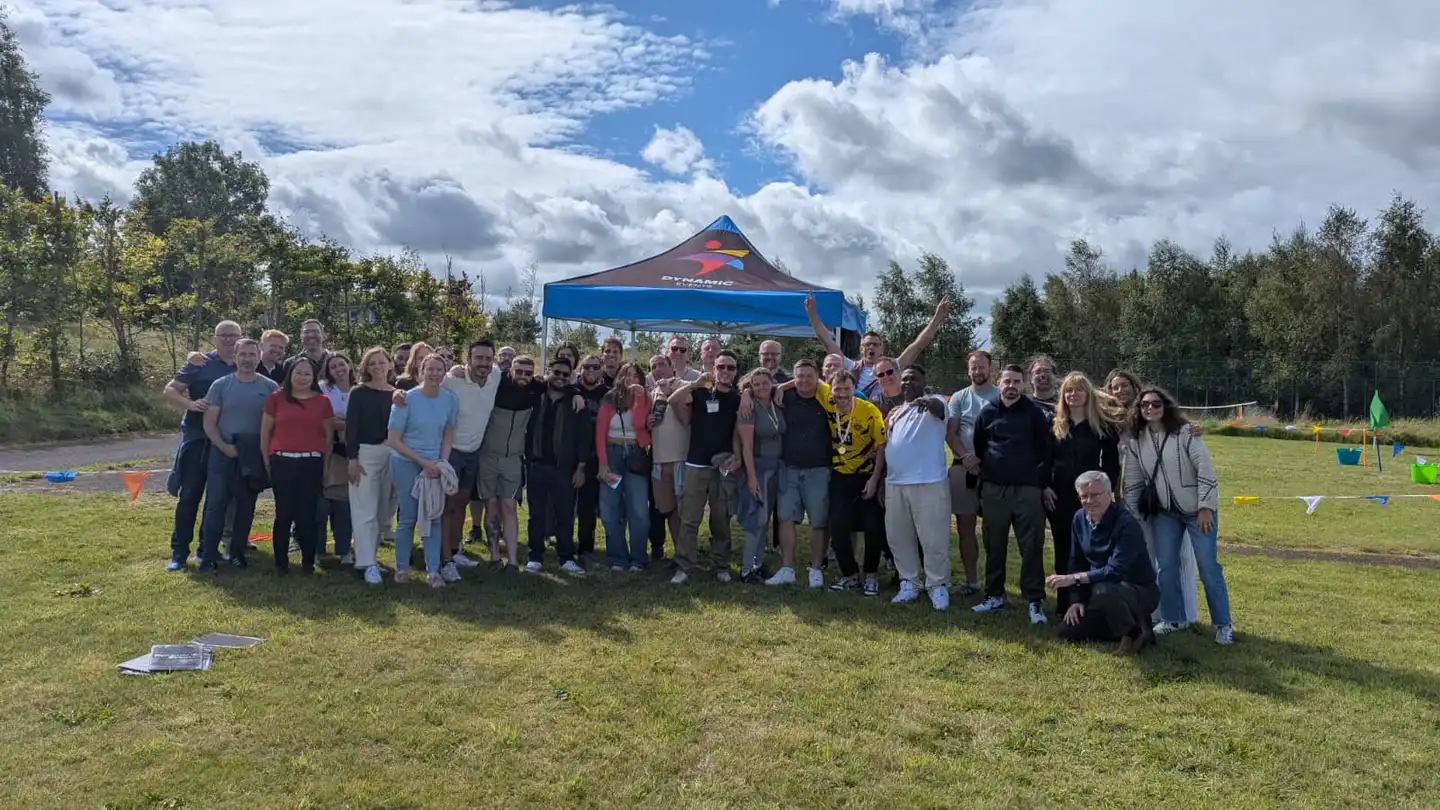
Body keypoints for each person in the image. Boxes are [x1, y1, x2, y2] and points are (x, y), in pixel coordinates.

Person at [1123, 386, 1235, 645]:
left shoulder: (1185, 432)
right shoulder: (1137, 441)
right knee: (1167, 568)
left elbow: (1205, 468)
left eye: (1155, 404)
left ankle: (1223, 624)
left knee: (1209, 569)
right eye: (1144, 405)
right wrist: (1133, 515)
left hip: (1198, 512)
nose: (1150, 408)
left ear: (1166, 406)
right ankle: (1173, 619)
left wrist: (1206, 506)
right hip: (1165, 513)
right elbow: (1133, 481)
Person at [1108, 367, 1200, 625]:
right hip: (1133, 496)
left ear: (1135, 387)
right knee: (1145, 552)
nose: (1120, 390)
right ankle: (1156, 612)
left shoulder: (1156, 416)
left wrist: (1194, 429)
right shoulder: (1112, 421)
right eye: (1114, 387)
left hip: (1167, 496)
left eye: (1125, 385)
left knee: (1176, 556)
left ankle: (1186, 614)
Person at [972, 364, 1054, 625]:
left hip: (1028, 490)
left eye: (1016, 382)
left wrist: (1041, 483)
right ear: (1000, 382)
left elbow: (1046, 451)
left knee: (1031, 547)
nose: (1011, 386)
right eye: (1007, 381)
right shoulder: (987, 412)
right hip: (994, 489)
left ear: (1023, 385)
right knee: (993, 544)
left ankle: (1034, 601)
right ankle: (994, 596)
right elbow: (979, 446)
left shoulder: (1034, 413)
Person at [1045, 471, 1158, 655]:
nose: (1089, 501)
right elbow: (1076, 561)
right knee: (1068, 631)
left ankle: (1133, 633)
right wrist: (1076, 601)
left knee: (1104, 589)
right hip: (1099, 590)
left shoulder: (1127, 524)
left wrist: (1073, 579)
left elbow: (1115, 571)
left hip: (1137, 590)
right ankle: (1141, 627)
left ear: (1109, 494)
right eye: (1084, 496)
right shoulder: (1079, 518)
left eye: (1095, 495)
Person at [161, 320, 240, 571]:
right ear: (215, 338)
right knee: (190, 496)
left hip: (226, 441)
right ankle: (178, 553)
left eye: (234, 335)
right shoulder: (200, 363)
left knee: (217, 500)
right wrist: (190, 405)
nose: (229, 340)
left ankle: (207, 549)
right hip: (197, 439)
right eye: (224, 335)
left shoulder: (247, 363)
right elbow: (170, 391)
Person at [198, 338, 277, 571]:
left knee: (246, 505)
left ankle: (237, 553)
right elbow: (209, 423)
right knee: (216, 503)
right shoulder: (221, 385)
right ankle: (209, 555)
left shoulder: (270, 387)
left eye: (252, 354)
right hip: (222, 451)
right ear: (235, 356)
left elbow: (274, 425)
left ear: (258, 356)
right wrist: (223, 446)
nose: (247, 359)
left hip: (251, 453)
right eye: (243, 354)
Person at [1048, 372, 1123, 611]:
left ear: (1087, 394)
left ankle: (1091, 603)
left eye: (1078, 390)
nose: (1073, 394)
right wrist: (1044, 487)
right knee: (1063, 550)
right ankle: (1064, 605)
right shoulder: (1055, 424)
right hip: (1059, 496)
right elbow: (1043, 459)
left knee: (1091, 550)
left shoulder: (1101, 426)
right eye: (1068, 390)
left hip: (1089, 499)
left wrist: (1105, 491)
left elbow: (1112, 463)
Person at [667, 351, 742, 584]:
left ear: (736, 371)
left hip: (723, 465)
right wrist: (696, 382)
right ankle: (684, 567)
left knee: (720, 519)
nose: (726, 372)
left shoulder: (738, 398)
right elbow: (672, 400)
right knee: (689, 518)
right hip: (696, 463)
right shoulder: (699, 392)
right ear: (713, 368)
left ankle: (720, 565)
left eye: (730, 368)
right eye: (721, 367)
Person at [882, 364, 952, 609]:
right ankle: (909, 582)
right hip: (895, 484)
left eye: (914, 379)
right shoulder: (897, 412)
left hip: (928, 483)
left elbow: (939, 409)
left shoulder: (935, 403)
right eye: (905, 379)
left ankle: (937, 585)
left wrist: (927, 402)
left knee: (933, 539)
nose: (908, 383)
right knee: (899, 538)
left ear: (924, 382)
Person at [387, 354, 458, 587]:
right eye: (431, 369)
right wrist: (423, 463)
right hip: (406, 462)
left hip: (434, 465)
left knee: (433, 517)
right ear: (421, 370)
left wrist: (440, 463)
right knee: (408, 517)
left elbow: (448, 434)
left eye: (440, 370)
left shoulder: (450, 400)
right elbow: (394, 440)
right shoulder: (406, 399)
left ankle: (433, 571)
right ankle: (401, 569)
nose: (435, 374)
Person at [262, 358, 335, 575]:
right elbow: (265, 432)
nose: (302, 377)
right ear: (290, 374)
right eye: (298, 373)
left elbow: (329, 437)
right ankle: (281, 564)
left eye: (307, 374)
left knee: (307, 515)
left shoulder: (322, 401)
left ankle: (307, 563)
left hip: (311, 462)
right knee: (283, 514)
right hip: (282, 461)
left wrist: (325, 466)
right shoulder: (276, 398)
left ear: (314, 378)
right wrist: (267, 460)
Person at [804, 290, 947, 399]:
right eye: (867, 345)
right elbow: (827, 342)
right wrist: (811, 314)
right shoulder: (850, 366)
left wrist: (937, 318)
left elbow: (918, 345)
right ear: (861, 349)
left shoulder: (893, 366)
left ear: (882, 348)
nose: (871, 347)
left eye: (875, 344)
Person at [763, 359, 831, 587]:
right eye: (798, 376)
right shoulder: (785, 397)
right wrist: (782, 387)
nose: (803, 381)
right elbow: (755, 387)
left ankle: (816, 570)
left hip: (819, 470)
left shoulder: (827, 399)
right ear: (793, 377)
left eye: (808, 376)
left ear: (818, 377)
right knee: (785, 518)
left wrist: (785, 385)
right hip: (789, 468)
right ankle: (787, 568)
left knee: (818, 522)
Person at [820, 370, 887, 596]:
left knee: (872, 526)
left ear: (854, 388)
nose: (841, 394)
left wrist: (875, 479)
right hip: (839, 477)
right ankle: (849, 574)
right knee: (837, 525)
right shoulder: (827, 401)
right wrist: (780, 387)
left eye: (846, 389)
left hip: (866, 476)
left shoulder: (869, 411)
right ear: (830, 389)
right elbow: (802, 378)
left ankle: (870, 576)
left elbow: (881, 446)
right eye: (837, 389)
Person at [524, 356, 593, 574]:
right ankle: (534, 556)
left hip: (564, 468)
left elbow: (584, 437)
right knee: (536, 515)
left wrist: (581, 467)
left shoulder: (575, 402)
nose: (560, 377)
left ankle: (566, 558)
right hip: (536, 465)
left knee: (565, 514)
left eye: (566, 374)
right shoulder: (536, 395)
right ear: (549, 372)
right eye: (557, 373)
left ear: (571, 376)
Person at [436, 339, 500, 572]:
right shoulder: (452, 381)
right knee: (447, 505)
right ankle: (443, 558)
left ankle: (455, 550)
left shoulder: (496, 376)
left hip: (474, 453)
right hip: (450, 451)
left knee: (462, 502)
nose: (483, 363)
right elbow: (428, 392)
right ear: (469, 360)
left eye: (487, 358)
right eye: (478, 358)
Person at [946, 349, 999, 596]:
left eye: (982, 367)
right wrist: (967, 457)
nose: (978, 371)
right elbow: (951, 432)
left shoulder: (1001, 395)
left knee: (994, 529)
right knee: (965, 527)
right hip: (962, 468)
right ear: (968, 370)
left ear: (990, 368)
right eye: (973, 367)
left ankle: (995, 584)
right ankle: (971, 581)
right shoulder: (959, 397)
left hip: (994, 470)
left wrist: (982, 457)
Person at [594, 361, 652, 572]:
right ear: (619, 377)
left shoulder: (645, 397)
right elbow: (600, 433)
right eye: (626, 375)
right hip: (612, 453)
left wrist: (639, 397)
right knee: (609, 510)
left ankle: (638, 558)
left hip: (635, 455)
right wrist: (603, 463)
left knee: (638, 511)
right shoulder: (609, 399)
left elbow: (638, 424)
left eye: (635, 376)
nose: (631, 379)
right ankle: (618, 558)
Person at [346, 347, 396, 585]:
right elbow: (351, 429)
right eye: (372, 363)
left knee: (382, 511)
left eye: (381, 362)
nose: (377, 367)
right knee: (364, 510)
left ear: (389, 364)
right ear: (366, 368)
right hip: (365, 455)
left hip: (393, 454)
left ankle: (369, 555)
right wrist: (352, 459)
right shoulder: (359, 393)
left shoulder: (398, 394)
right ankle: (367, 564)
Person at [736, 367, 785, 583]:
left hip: (777, 467)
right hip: (759, 466)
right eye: (755, 385)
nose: (761, 387)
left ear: (771, 382)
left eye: (765, 383)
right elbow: (746, 446)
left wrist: (781, 386)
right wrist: (752, 476)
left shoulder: (776, 402)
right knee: (755, 520)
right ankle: (746, 570)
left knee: (765, 520)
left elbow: (794, 382)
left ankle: (758, 564)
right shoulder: (748, 408)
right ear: (750, 387)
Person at [646, 353, 687, 562]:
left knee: (684, 512)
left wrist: (670, 394)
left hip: (680, 457)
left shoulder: (684, 386)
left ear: (672, 367)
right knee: (668, 509)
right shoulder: (652, 393)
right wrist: (649, 422)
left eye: (662, 364)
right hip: (658, 461)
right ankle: (680, 554)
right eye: (654, 366)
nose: (658, 369)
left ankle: (687, 555)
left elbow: (687, 420)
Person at [574, 354, 611, 566]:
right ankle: (564, 547)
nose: (590, 370)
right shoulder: (571, 390)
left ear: (601, 369)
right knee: (566, 504)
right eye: (586, 366)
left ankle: (586, 549)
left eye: (595, 367)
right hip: (571, 456)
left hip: (596, 457)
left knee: (588, 507)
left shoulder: (607, 394)